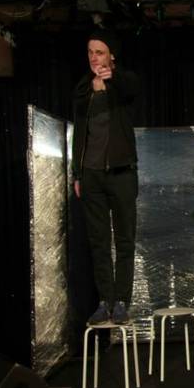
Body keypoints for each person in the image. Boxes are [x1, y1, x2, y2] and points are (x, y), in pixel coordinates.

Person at [71, 29, 140, 325]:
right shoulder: (82, 88)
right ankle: (104, 301)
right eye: (90, 52)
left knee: (124, 239)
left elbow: (131, 88)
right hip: (91, 174)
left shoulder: (122, 82)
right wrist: (77, 173)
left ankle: (122, 300)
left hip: (121, 173)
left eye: (99, 52)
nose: (93, 57)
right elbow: (80, 134)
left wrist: (113, 76)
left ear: (111, 55)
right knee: (98, 241)